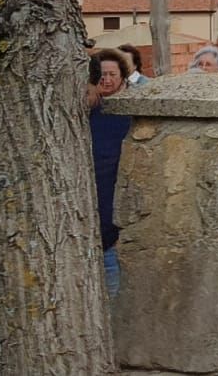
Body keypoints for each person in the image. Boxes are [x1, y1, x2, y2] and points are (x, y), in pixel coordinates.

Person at [87, 48, 133, 295]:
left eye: (111, 74)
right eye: (102, 75)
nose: (106, 80)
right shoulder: (82, 115)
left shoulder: (129, 117)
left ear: (123, 77)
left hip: (111, 231)